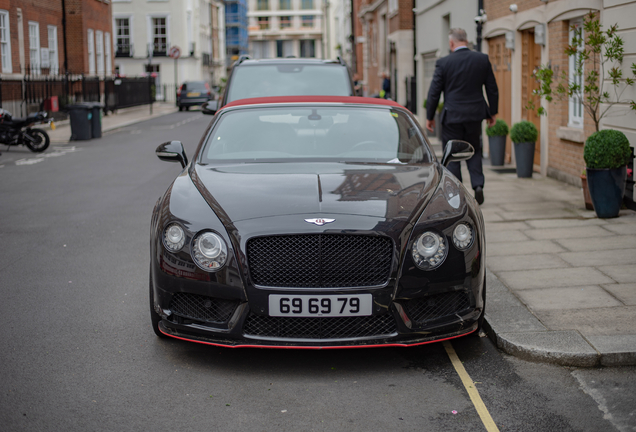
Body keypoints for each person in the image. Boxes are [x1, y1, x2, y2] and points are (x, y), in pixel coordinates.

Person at [425, 28, 498, 205]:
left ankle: (457, 191)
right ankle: (478, 185)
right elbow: (492, 88)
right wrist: (492, 113)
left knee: (453, 153)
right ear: (466, 40)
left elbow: (434, 92)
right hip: (475, 115)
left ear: (451, 43)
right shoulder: (481, 59)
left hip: (452, 116)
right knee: (474, 150)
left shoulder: (444, 63)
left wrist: (430, 116)